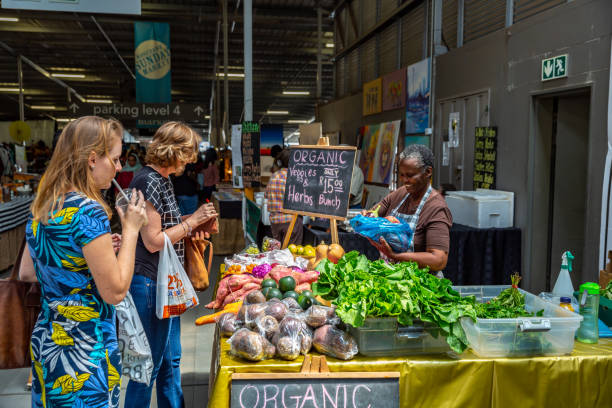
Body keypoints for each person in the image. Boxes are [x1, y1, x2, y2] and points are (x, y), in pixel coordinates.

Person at [19, 116, 148, 408]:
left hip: (48, 341)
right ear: (92, 159)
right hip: (84, 347)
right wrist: (130, 231)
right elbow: (114, 292)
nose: (118, 168)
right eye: (114, 160)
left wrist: (96, 256)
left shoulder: (44, 203)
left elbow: (29, 272)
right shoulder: (88, 210)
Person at [125, 122, 218, 408]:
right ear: (173, 150)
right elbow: (153, 241)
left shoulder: (161, 179)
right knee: (149, 366)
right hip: (152, 281)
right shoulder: (148, 180)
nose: (191, 160)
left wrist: (192, 226)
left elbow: (167, 229)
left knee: (170, 361)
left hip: (166, 283)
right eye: (188, 153)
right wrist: (191, 221)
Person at [363, 144, 452, 271]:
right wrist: (367, 219)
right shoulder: (399, 194)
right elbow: (374, 213)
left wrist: (396, 256)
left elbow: (438, 260)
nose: (404, 180)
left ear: (428, 172)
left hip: (417, 282)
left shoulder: (437, 208)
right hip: (389, 275)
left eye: (410, 175)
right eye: (402, 175)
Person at [265, 149, 303, 245]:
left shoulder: (274, 176)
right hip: (291, 221)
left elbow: (266, 195)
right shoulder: (295, 177)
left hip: (275, 222)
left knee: (278, 251)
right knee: (291, 252)